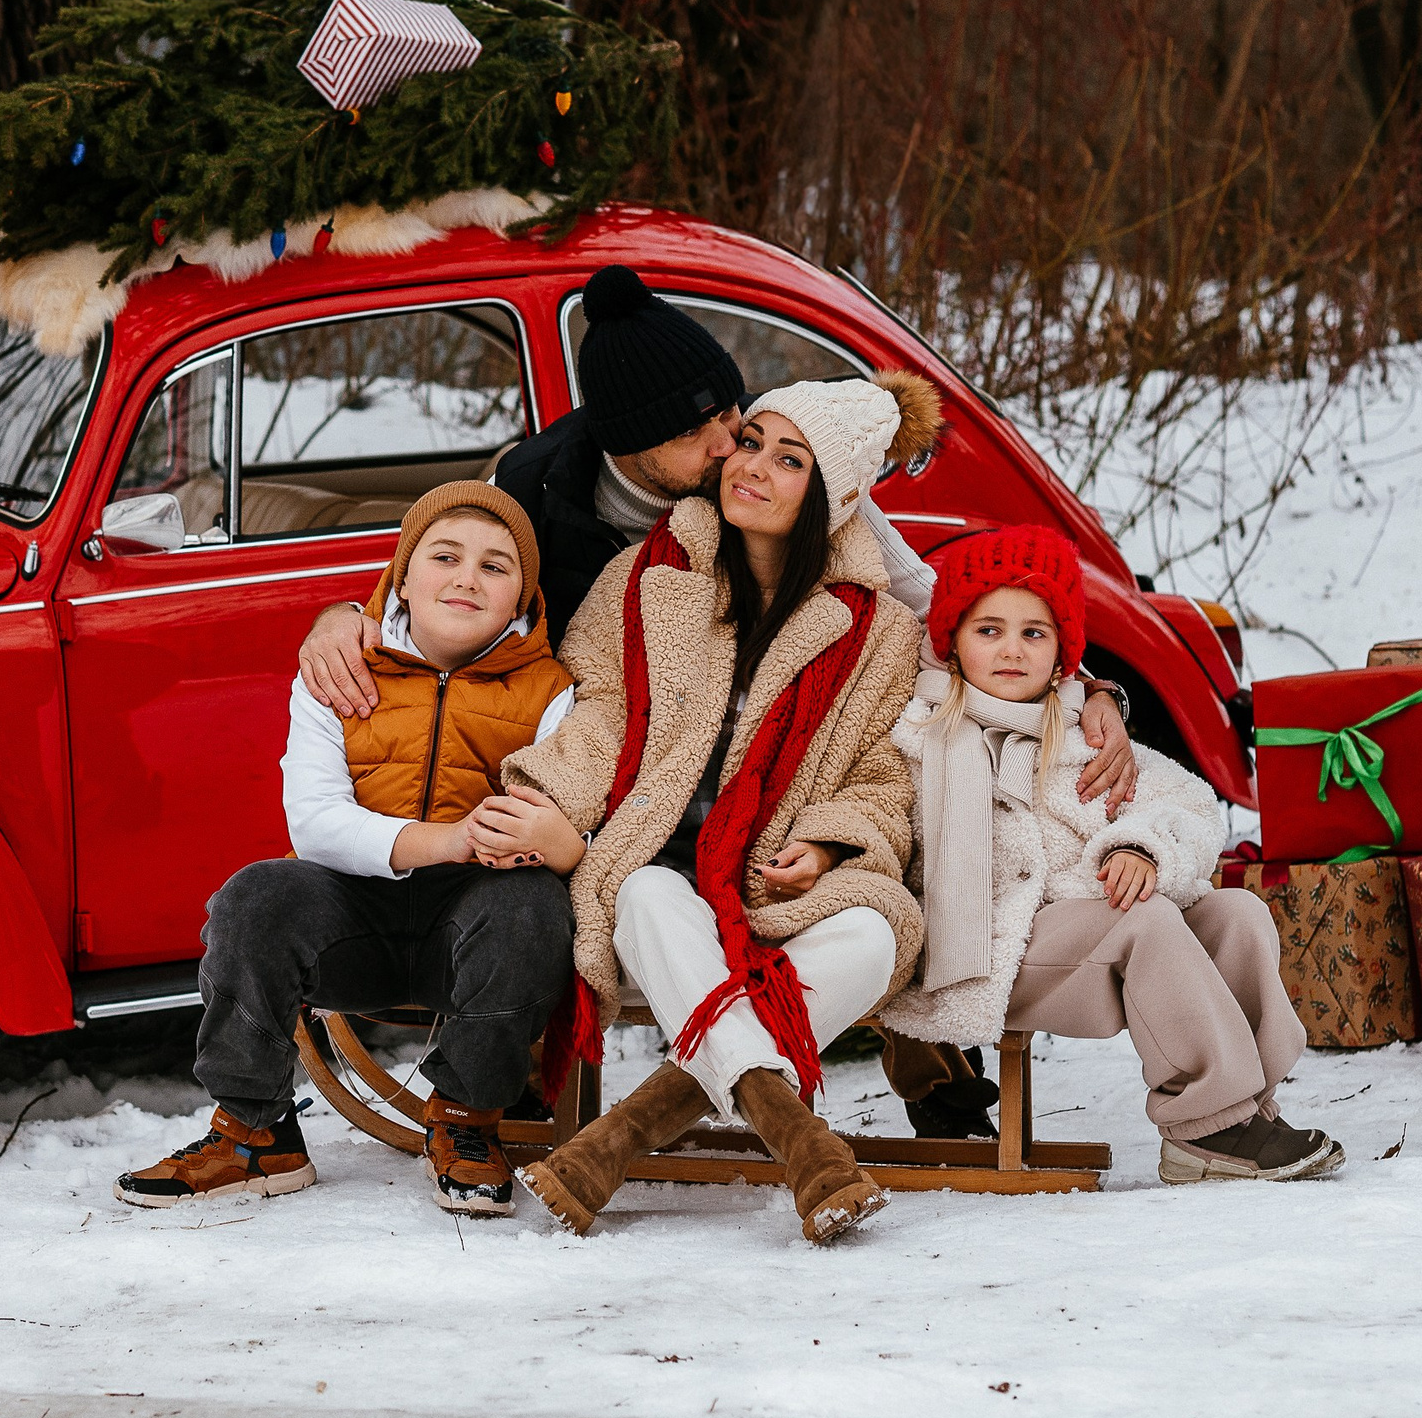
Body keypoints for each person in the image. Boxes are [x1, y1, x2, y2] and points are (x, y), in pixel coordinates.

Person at [293, 264, 1143, 1137]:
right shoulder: (543, 496)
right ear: (635, 441)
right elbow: (448, 580)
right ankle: (549, 1069)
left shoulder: (773, 472)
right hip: (632, 782)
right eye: (707, 430)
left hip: (783, 780)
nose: (733, 443)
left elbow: (937, 610)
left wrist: (1083, 689)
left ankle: (904, 1058)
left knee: (894, 787)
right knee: (634, 877)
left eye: (735, 415)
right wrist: (342, 617)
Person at [484, 376, 932, 1243]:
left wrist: (830, 847)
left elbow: (883, 777)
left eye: (788, 459)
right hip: (664, 869)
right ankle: (802, 1141)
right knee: (646, 895)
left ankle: (617, 1137)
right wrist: (546, 799)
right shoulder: (650, 575)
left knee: (881, 931)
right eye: (752, 439)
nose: (751, 465)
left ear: (830, 497)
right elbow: (600, 707)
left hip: (773, 884)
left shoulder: (878, 629)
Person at [116, 484, 580, 1217]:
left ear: (523, 594)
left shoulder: (551, 692)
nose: (467, 577)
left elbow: (558, 814)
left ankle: (466, 1118)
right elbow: (317, 823)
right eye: (446, 555)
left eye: (496, 566)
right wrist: (448, 838)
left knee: (533, 909)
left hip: (474, 923)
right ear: (402, 570)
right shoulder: (340, 667)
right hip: (354, 915)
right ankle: (255, 1131)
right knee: (254, 897)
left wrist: (555, 841)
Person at [880, 526, 1343, 1183]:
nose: (1012, 650)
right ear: (951, 638)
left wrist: (1140, 843)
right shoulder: (919, 733)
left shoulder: (1081, 730)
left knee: (1237, 914)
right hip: (982, 944)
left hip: (1080, 931)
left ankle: (1249, 1108)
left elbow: (1186, 802)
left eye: (1034, 633)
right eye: (989, 631)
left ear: (1063, 651)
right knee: (1144, 919)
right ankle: (1206, 1127)